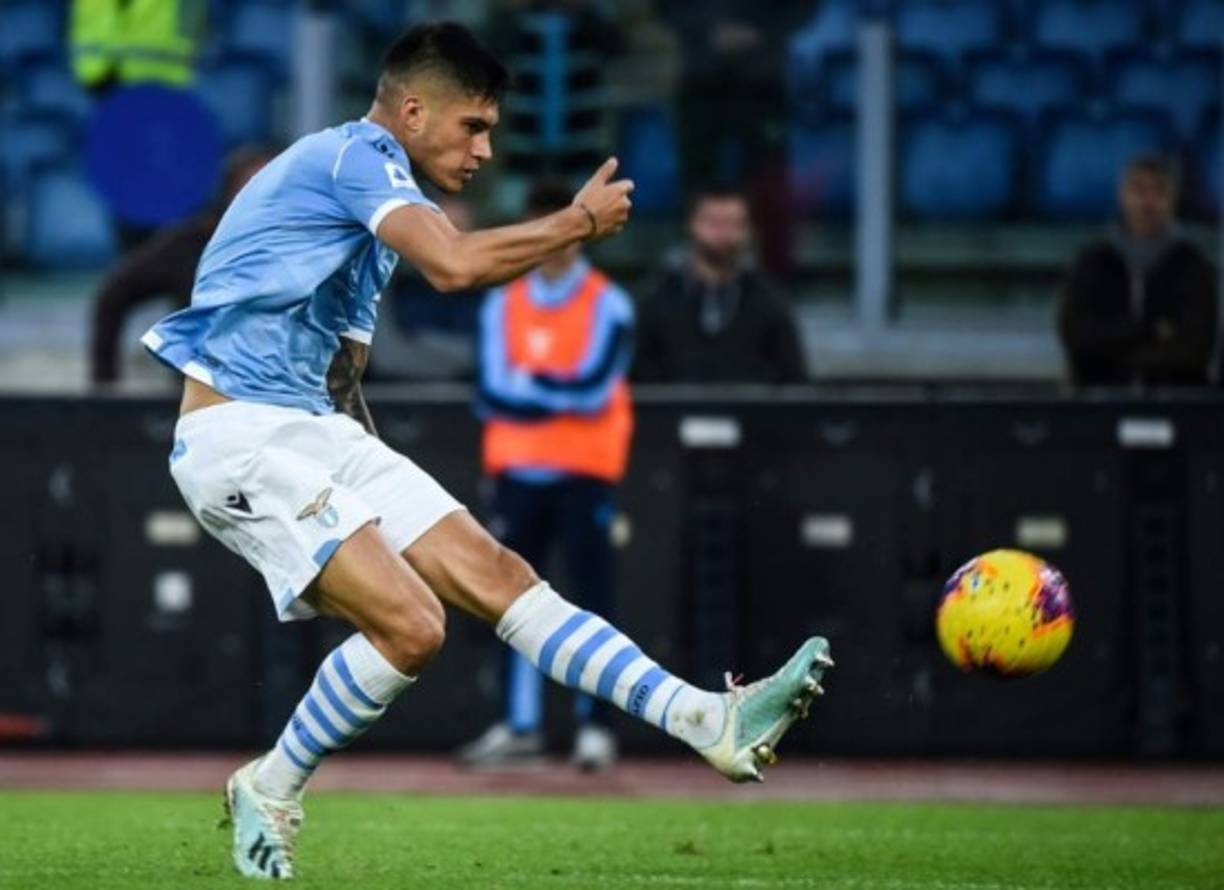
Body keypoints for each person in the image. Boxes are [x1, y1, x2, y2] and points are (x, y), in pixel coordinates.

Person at [139, 23, 830, 880]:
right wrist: (575, 221)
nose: (485, 148)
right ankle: (272, 786)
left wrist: (378, 491)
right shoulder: (354, 156)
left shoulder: (362, 217)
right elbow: (458, 267)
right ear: (415, 110)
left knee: (500, 576)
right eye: (474, 126)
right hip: (236, 434)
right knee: (414, 628)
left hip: (314, 429)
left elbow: (343, 374)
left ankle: (705, 722)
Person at [459, 178, 635, 771]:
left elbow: (592, 391)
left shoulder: (608, 304)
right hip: (517, 472)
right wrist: (548, 391)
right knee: (509, 602)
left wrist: (530, 386)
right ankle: (520, 726)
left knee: (591, 600)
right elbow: (490, 394)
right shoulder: (502, 303)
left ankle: (595, 729)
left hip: (586, 471)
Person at [90, 147, 272, 384]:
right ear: (228, 192)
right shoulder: (192, 243)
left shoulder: (308, 247)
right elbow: (113, 295)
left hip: (288, 399)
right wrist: (105, 385)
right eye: (249, 187)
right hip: (203, 398)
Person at [1058, 155, 1218, 387]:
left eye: (1159, 191)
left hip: (1176, 402)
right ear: (1122, 194)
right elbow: (1077, 335)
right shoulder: (1092, 262)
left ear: (1173, 198)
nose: (1148, 201)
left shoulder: (1193, 266)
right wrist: (1150, 329)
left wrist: (1115, 350)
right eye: (1139, 190)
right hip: (1099, 398)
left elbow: (1196, 348)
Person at [634, 188, 808, 384]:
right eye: (714, 223)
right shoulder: (655, 299)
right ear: (691, 224)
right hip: (670, 412)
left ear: (749, 231)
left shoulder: (770, 302)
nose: (724, 234)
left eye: (734, 224)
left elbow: (794, 382)